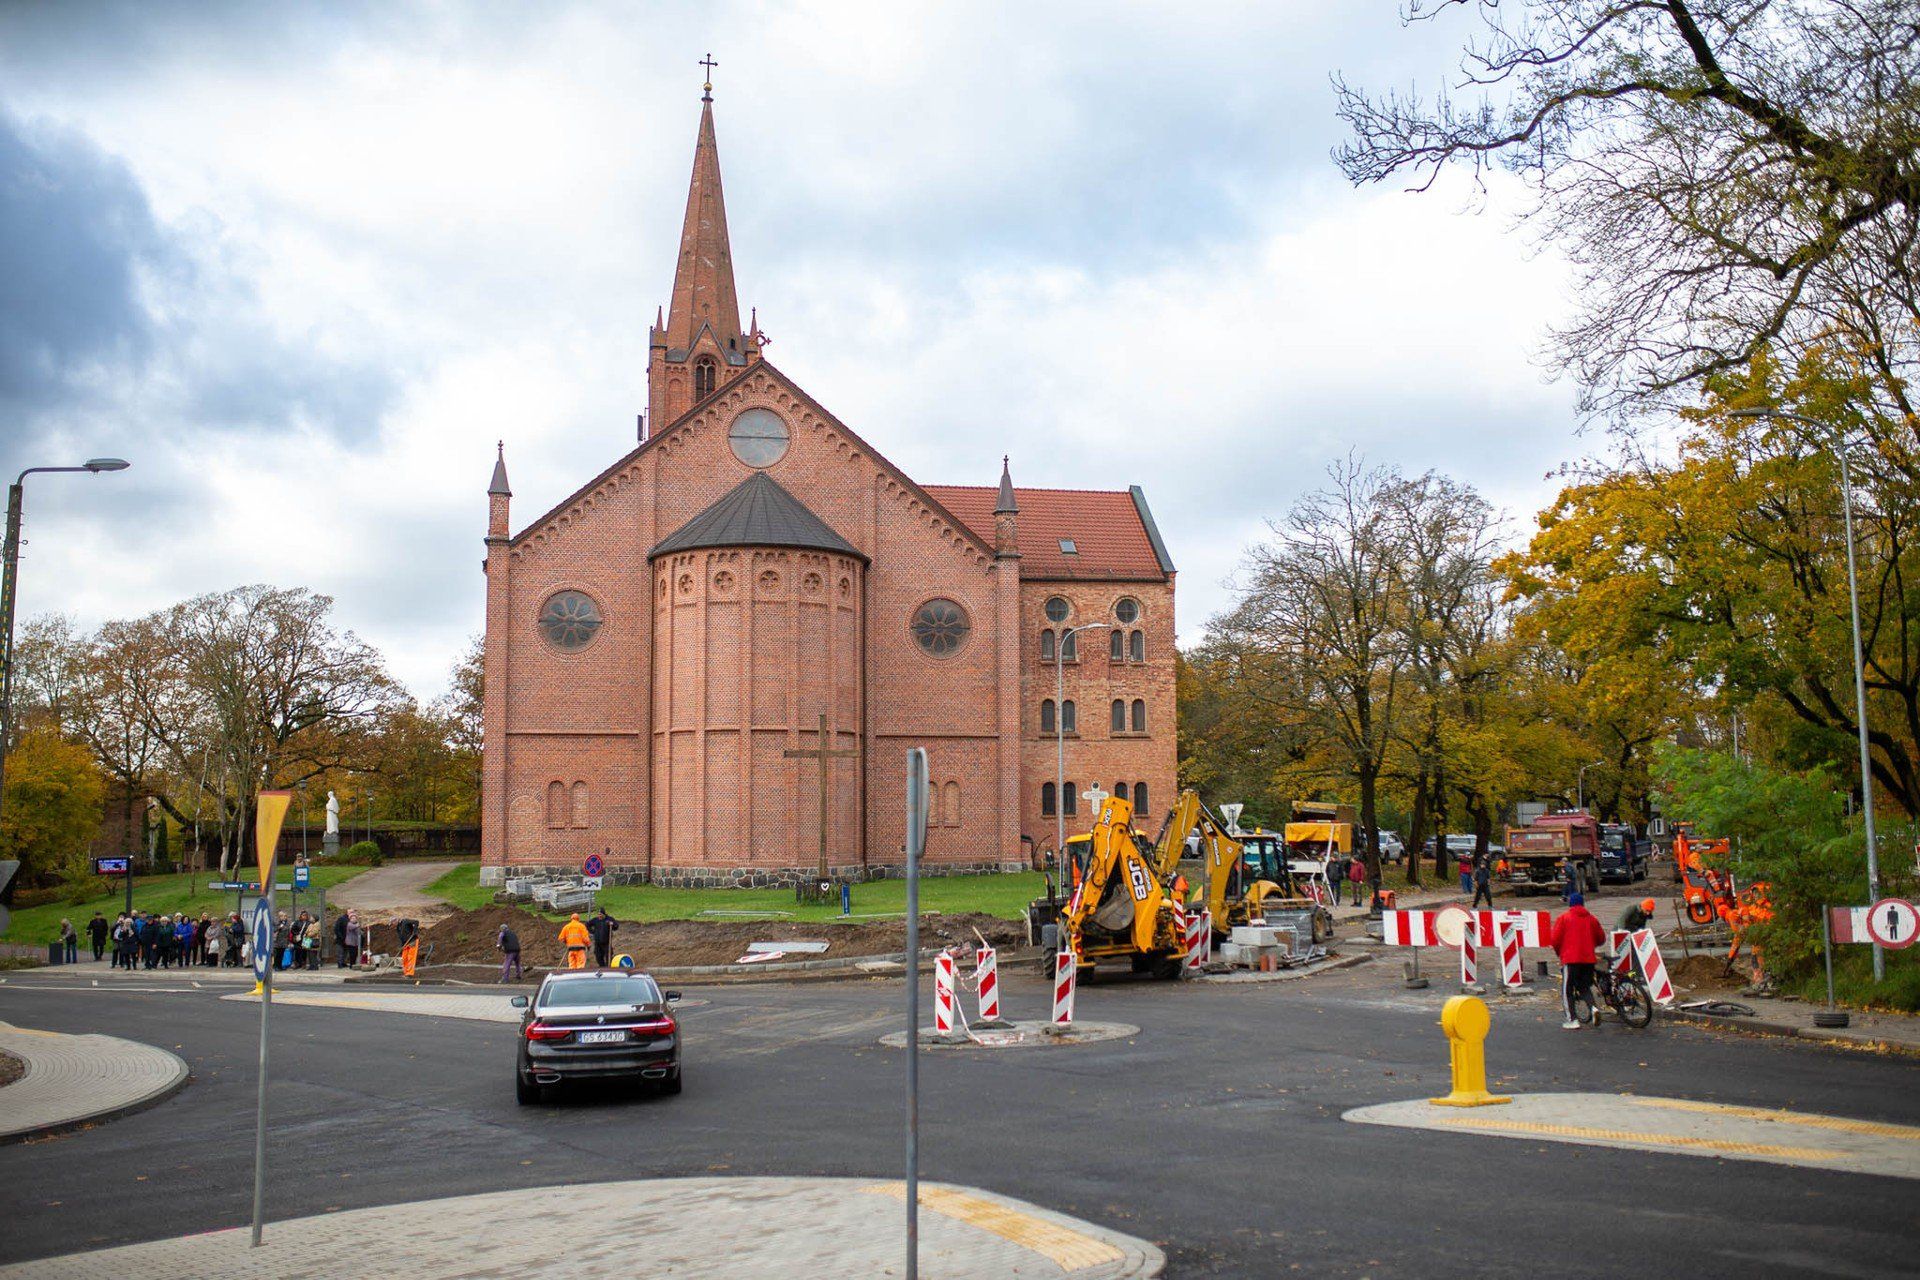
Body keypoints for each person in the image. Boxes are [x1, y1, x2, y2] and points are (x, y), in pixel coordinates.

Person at [1551, 892, 1607, 1030]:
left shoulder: (1564, 918)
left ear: (1570, 904)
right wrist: (1590, 945)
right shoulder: (1592, 919)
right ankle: (1593, 1008)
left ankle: (1572, 1020)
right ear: (1582, 904)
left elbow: (1555, 940)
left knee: (1567, 990)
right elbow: (1601, 938)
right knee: (1584, 987)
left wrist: (1560, 953)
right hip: (1588, 960)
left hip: (1570, 959)